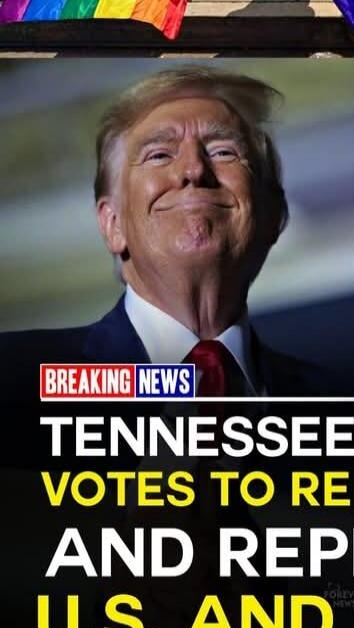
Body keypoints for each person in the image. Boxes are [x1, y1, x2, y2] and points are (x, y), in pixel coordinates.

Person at [0, 67, 290, 396]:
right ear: (113, 224)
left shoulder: (334, 403)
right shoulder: (13, 378)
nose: (194, 169)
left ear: (274, 215)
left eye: (223, 152)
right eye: (159, 155)